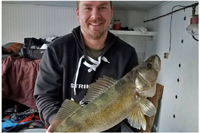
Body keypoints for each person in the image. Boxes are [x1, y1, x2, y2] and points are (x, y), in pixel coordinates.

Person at [34, 1, 138, 132]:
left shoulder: (127, 54)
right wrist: (58, 122)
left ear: (111, 12)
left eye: (102, 7)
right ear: (77, 13)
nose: (95, 16)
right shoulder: (56, 50)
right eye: (88, 8)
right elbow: (45, 96)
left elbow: (132, 101)